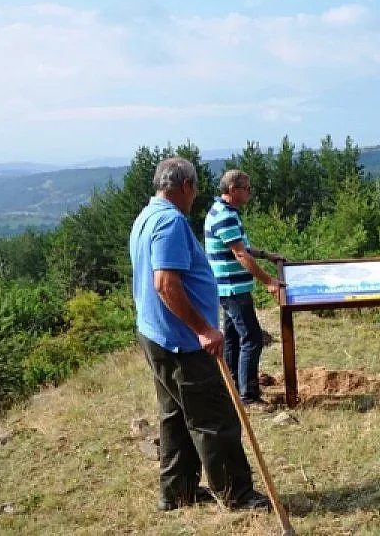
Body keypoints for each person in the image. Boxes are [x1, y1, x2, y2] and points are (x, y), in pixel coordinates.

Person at [129, 157, 270, 511]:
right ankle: (237, 494)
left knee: (176, 416)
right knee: (215, 419)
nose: (195, 197)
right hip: (182, 342)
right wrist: (204, 329)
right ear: (186, 186)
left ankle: (179, 491)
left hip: (157, 335)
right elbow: (165, 283)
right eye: (195, 189)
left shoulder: (146, 216)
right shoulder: (170, 221)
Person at [204, 170, 286, 411]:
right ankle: (248, 396)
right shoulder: (226, 216)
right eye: (246, 188)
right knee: (252, 339)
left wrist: (266, 255)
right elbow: (240, 254)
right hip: (233, 289)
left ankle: (231, 388)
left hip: (227, 288)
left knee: (233, 339)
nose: (250, 193)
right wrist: (269, 281)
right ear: (232, 189)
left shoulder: (221, 211)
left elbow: (242, 247)